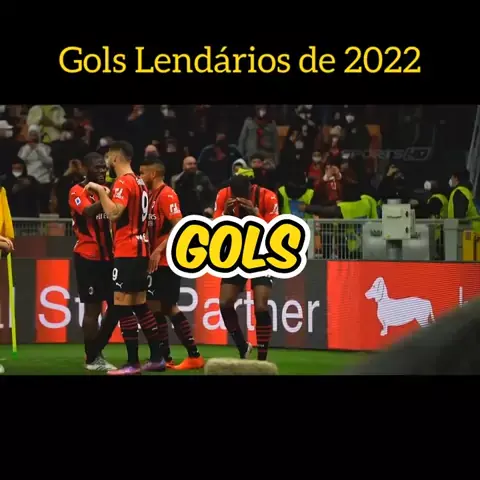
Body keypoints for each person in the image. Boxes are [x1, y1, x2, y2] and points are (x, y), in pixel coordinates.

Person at [84, 141, 165, 375]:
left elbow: (114, 213)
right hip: (141, 249)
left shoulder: (123, 182)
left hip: (127, 251)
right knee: (140, 305)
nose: (106, 162)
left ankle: (132, 363)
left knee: (122, 305)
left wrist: (100, 191)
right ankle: (157, 358)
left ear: (116, 158)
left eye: (108, 157)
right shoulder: (140, 182)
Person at [139, 159, 205, 370]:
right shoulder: (149, 196)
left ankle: (193, 355)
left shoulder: (167, 195)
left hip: (166, 260)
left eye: (142, 173)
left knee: (166, 306)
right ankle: (164, 357)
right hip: (154, 261)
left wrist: (158, 250)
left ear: (153, 174)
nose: (140, 177)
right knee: (156, 308)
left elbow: (179, 226)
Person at [213, 173, 279, 361]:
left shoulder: (267, 196)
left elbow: (275, 231)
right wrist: (225, 214)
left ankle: (262, 359)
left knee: (261, 306)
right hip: (236, 253)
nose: (239, 198)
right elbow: (215, 227)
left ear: (251, 189)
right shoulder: (223, 195)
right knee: (225, 303)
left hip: (262, 253)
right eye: (236, 195)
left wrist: (256, 214)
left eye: (243, 194)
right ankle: (243, 347)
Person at [68, 153, 117, 371]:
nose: (102, 171)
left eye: (103, 167)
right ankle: (92, 358)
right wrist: (105, 194)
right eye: (97, 167)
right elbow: (87, 211)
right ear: (85, 169)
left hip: (110, 258)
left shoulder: (107, 189)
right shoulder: (77, 191)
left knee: (118, 306)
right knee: (92, 309)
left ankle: (96, 349)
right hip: (88, 258)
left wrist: (106, 192)